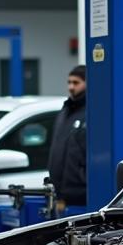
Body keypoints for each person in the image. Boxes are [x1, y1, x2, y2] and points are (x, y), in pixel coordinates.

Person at [47, 64, 87, 207]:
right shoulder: (65, 111)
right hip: (62, 195)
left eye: (76, 83)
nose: (71, 87)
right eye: (69, 82)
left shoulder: (91, 112)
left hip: (82, 195)